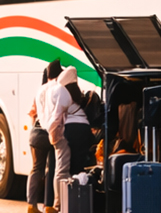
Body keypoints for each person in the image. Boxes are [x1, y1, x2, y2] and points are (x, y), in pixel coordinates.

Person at [27, 60, 63, 213]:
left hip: (35, 133)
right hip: (49, 133)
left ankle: (31, 205)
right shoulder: (57, 88)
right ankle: (49, 205)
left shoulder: (39, 90)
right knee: (53, 168)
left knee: (36, 168)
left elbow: (32, 113)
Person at [54, 66, 94, 200]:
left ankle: (67, 201)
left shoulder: (64, 94)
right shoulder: (77, 94)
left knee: (67, 168)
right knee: (79, 166)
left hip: (71, 128)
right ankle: (80, 199)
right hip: (84, 128)